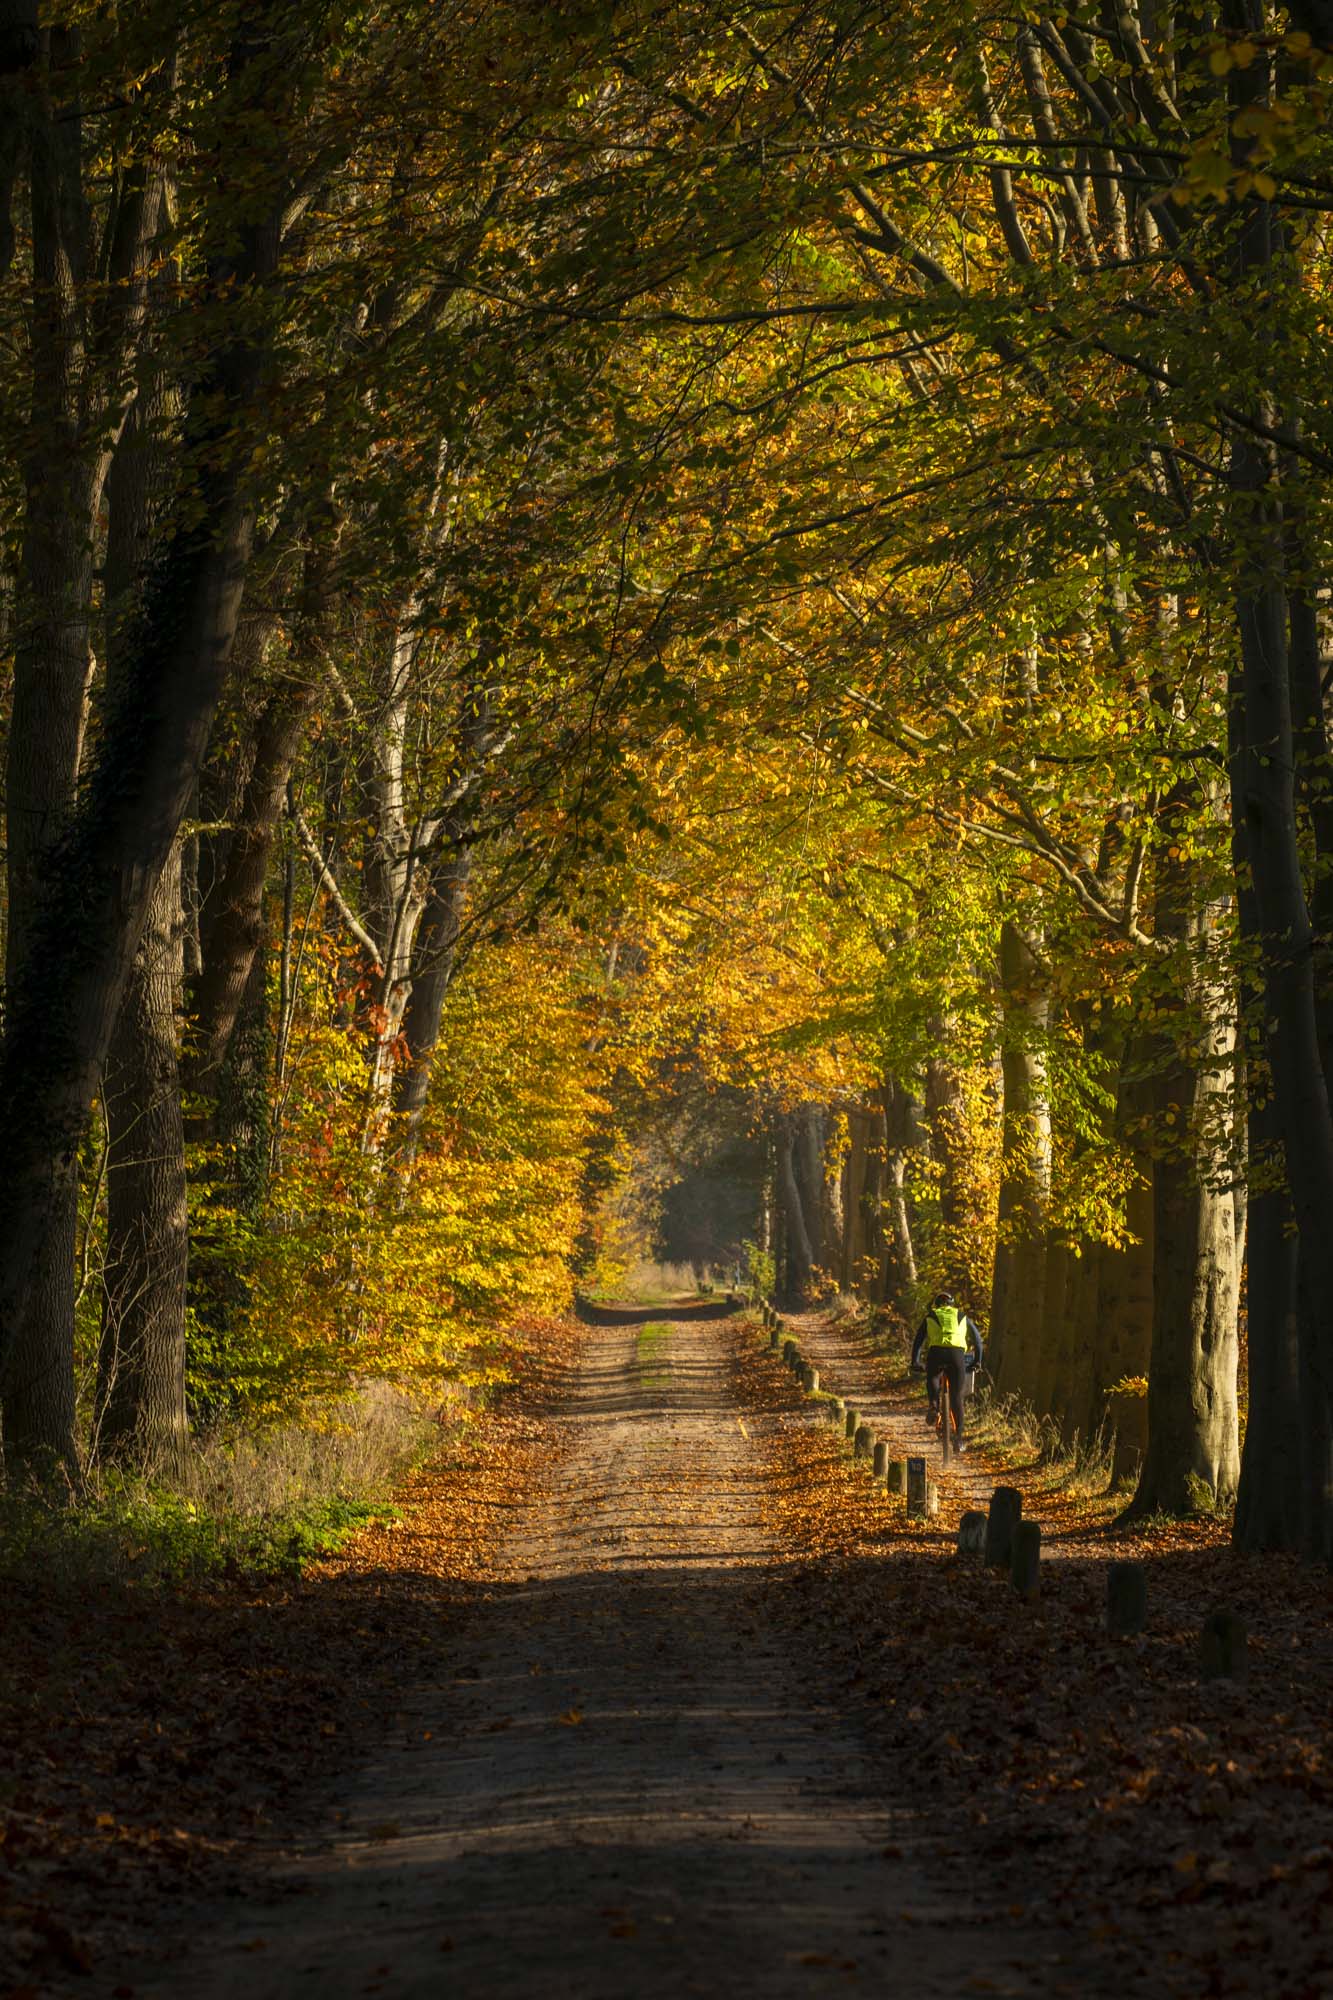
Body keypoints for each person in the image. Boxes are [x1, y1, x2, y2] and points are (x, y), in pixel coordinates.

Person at [910, 1292, 984, 1451]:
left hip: (937, 1353)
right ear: (952, 1305)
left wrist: (915, 1362)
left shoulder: (932, 1314)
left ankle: (934, 1406)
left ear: (937, 1305)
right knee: (956, 1397)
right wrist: (977, 1361)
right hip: (956, 1355)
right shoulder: (962, 1315)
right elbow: (977, 1341)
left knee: (933, 1377)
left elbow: (918, 1341)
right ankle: (958, 1439)